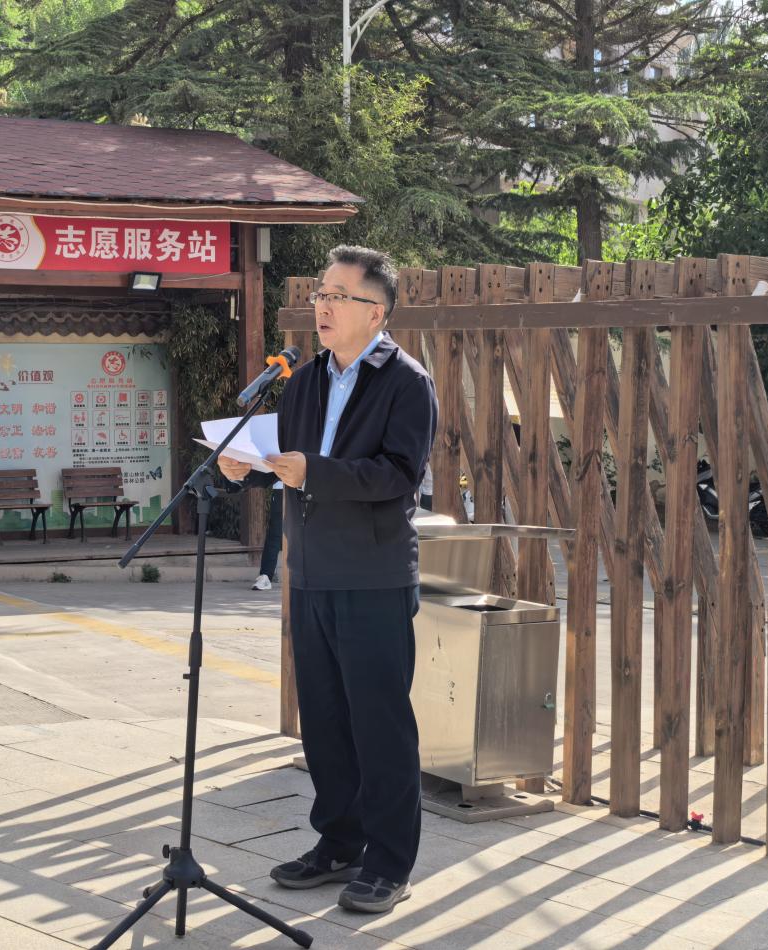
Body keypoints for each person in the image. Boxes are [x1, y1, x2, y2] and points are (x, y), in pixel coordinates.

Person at [218, 245, 437, 914]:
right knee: (324, 720)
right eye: (321, 292)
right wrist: (244, 468)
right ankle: (339, 842)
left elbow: (398, 474)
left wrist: (315, 472)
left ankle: (389, 863)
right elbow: (283, 459)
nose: (323, 305)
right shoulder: (305, 377)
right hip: (310, 571)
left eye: (339, 295)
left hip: (372, 576)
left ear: (376, 312)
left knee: (379, 725)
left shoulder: (406, 382)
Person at [252, 483, 283, 590]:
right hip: (281, 488)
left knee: (306, 533)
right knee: (274, 535)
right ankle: (265, 576)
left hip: (304, 488)